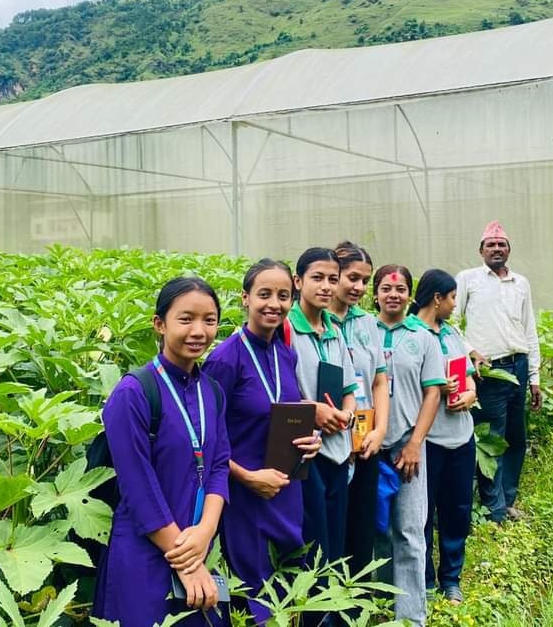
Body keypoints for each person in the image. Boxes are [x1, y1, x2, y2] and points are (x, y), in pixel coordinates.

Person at [93, 277, 231, 627]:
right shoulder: (134, 393)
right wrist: (187, 562)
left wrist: (205, 532)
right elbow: (138, 487)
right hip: (146, 552)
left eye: (209, 320)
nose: (198, 330)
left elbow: (218, 465)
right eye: (186, 319)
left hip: (199, 545)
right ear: (159, 324)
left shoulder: (212, 392)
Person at [202, 260, 322, 623]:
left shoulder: (285, 352)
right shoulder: (225, 359)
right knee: (251, 592)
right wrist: (247, 477)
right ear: (245, 298)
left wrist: (311, 440)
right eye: (264, 294)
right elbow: (208, 438)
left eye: (283, 296)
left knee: (288, 580)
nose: (274, 304)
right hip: (245, 494)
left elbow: (291, 409)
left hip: (285, 489)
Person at [455, 220, 541, 523]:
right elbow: (450, 323)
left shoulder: (521, 283)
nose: (496, 249)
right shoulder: (468, 280)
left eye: (501, 244)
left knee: (516, 438)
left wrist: (534, 378)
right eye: (490, 245)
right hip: (489, 371)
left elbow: (529, 329)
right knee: (492, 438)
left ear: (509, 250)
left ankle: (507, 500)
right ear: (481, 250)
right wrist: (469, 351)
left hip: (518, 365)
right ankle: (494, 509)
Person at [372, 264, 444, 627]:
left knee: (411, 532)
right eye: (386, 288)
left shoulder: (423, 337)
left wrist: (416, 443)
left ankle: (411, 618)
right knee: (376, 530)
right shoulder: (362, 331)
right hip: (367, 448)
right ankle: (383, 607)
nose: (393, 295)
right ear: (376, 294)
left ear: (410, 296)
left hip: (408, 447)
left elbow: (433, 393)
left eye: (400, 290)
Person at [410, 269, 478, 604]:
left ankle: (451, 578)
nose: (454, 305)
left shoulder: (451, 334)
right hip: (429, 440)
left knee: (457, 509)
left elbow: (467, 374)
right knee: (422, 513)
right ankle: (425, 581)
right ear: (437, 298)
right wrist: (435, 387)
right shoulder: (412, 334)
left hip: (461, 437)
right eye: (452, 298)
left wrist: (470, 394)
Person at [287, 247, 357, 567]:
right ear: (298, 282)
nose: (326, 286)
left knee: (336, 534)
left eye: (332, 278)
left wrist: (348, 413)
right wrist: (311, 409)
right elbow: (275, 391)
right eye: (317, 278)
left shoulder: (335, 331)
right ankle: (315, 614)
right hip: (306, 451)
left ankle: (332, 612)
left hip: (338, 448)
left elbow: (349, 388)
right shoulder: (285, 329)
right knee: (313, 540)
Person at [328, 241, 389, 577]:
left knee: (361, 529)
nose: (359, 287)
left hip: (365, 439)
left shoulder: (367, 323)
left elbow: (380, 381)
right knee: (331, 531)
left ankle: (358, 605)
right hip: (329, 440)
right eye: (352, 277)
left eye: (365, 280)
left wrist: (380, 430)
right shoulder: (313, 322)